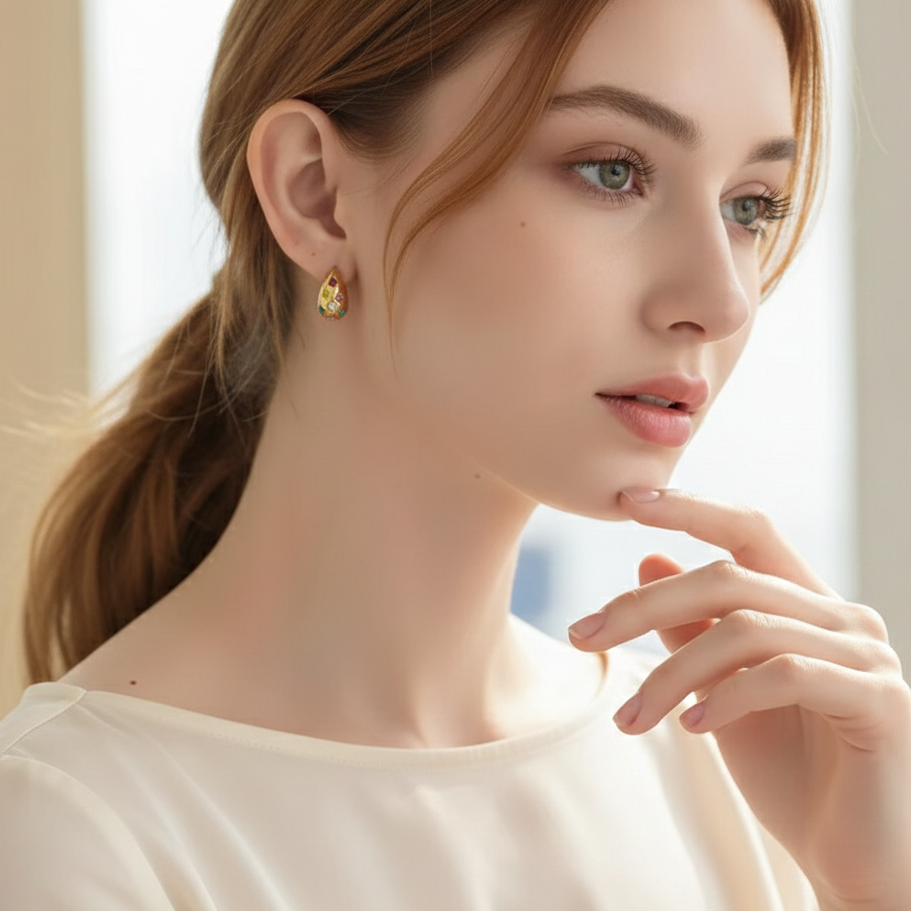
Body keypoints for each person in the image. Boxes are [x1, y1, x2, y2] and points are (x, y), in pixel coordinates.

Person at [1, 0, 909, 907]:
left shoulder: (729, 772)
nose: (721, 300)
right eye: (611, 170)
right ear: (316, 192)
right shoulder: (73, 829)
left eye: (749, 206)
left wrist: (868, 886)